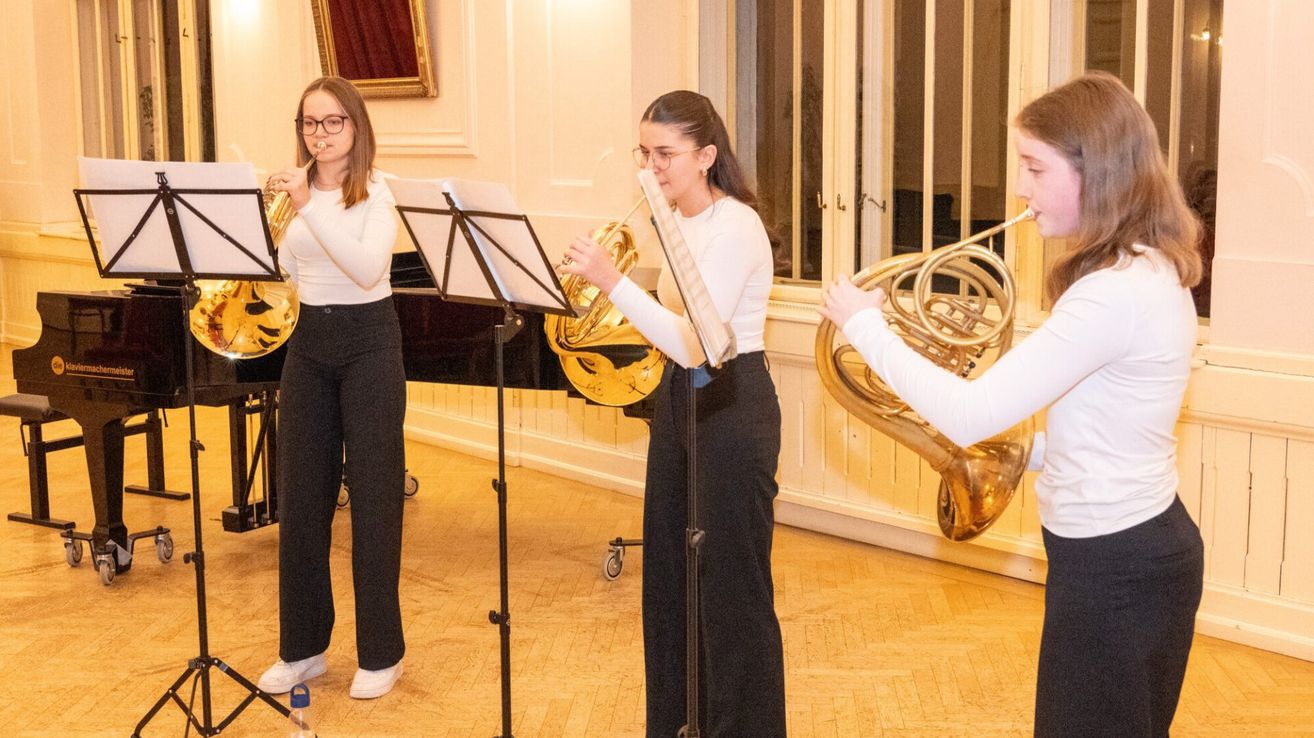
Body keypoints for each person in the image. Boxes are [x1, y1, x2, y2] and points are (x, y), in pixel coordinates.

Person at [819, 71, 1205, 737]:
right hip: (1137, 547)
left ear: (1099, 170)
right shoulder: (1147, 268)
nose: (1020, 189)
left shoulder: (1113, 293)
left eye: (1035, 167)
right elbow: (1110, 424)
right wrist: (1032, 453)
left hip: (1115, 565)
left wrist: (864, 326)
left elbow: (971, 415)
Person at [560, 90, 785, 737]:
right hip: (679, 399)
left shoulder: (734, 226)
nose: (651, 167)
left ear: (706, 155)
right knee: (669, 583)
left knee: (732, 596)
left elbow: (696, 338)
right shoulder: (677, 221)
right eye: (644, 152)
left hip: (733, 401)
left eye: (665, 154)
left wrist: (612, 281)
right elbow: (671, 339)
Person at [255, 76, 407, 701]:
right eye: (309, 123)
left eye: (332, 122)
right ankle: (303, 647)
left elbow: (367, 266)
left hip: (371, 343)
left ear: (355, 127)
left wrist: (309, 207)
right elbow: (289, 270)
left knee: (374, 503)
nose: (319, 134)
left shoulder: (378, 192)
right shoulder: (293, 196)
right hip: (308, 343)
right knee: (302, 502)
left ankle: (381, 652)